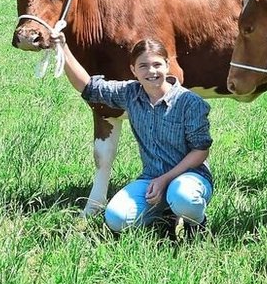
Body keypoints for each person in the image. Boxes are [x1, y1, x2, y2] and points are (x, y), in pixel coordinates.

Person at [54, 35, 214, 232]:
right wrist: (62, 47)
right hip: (151, 179)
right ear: (133, 70)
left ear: (167, 65)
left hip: (190, 178)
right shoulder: (130, 94)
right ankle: (164, 215)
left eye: (157, 64)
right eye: (143, 66)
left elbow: (201, 151)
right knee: (116, 219)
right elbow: (88, 87)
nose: (151, 71)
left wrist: (164, 180)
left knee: (183, 197)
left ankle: (196, 223)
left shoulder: (189, 102)